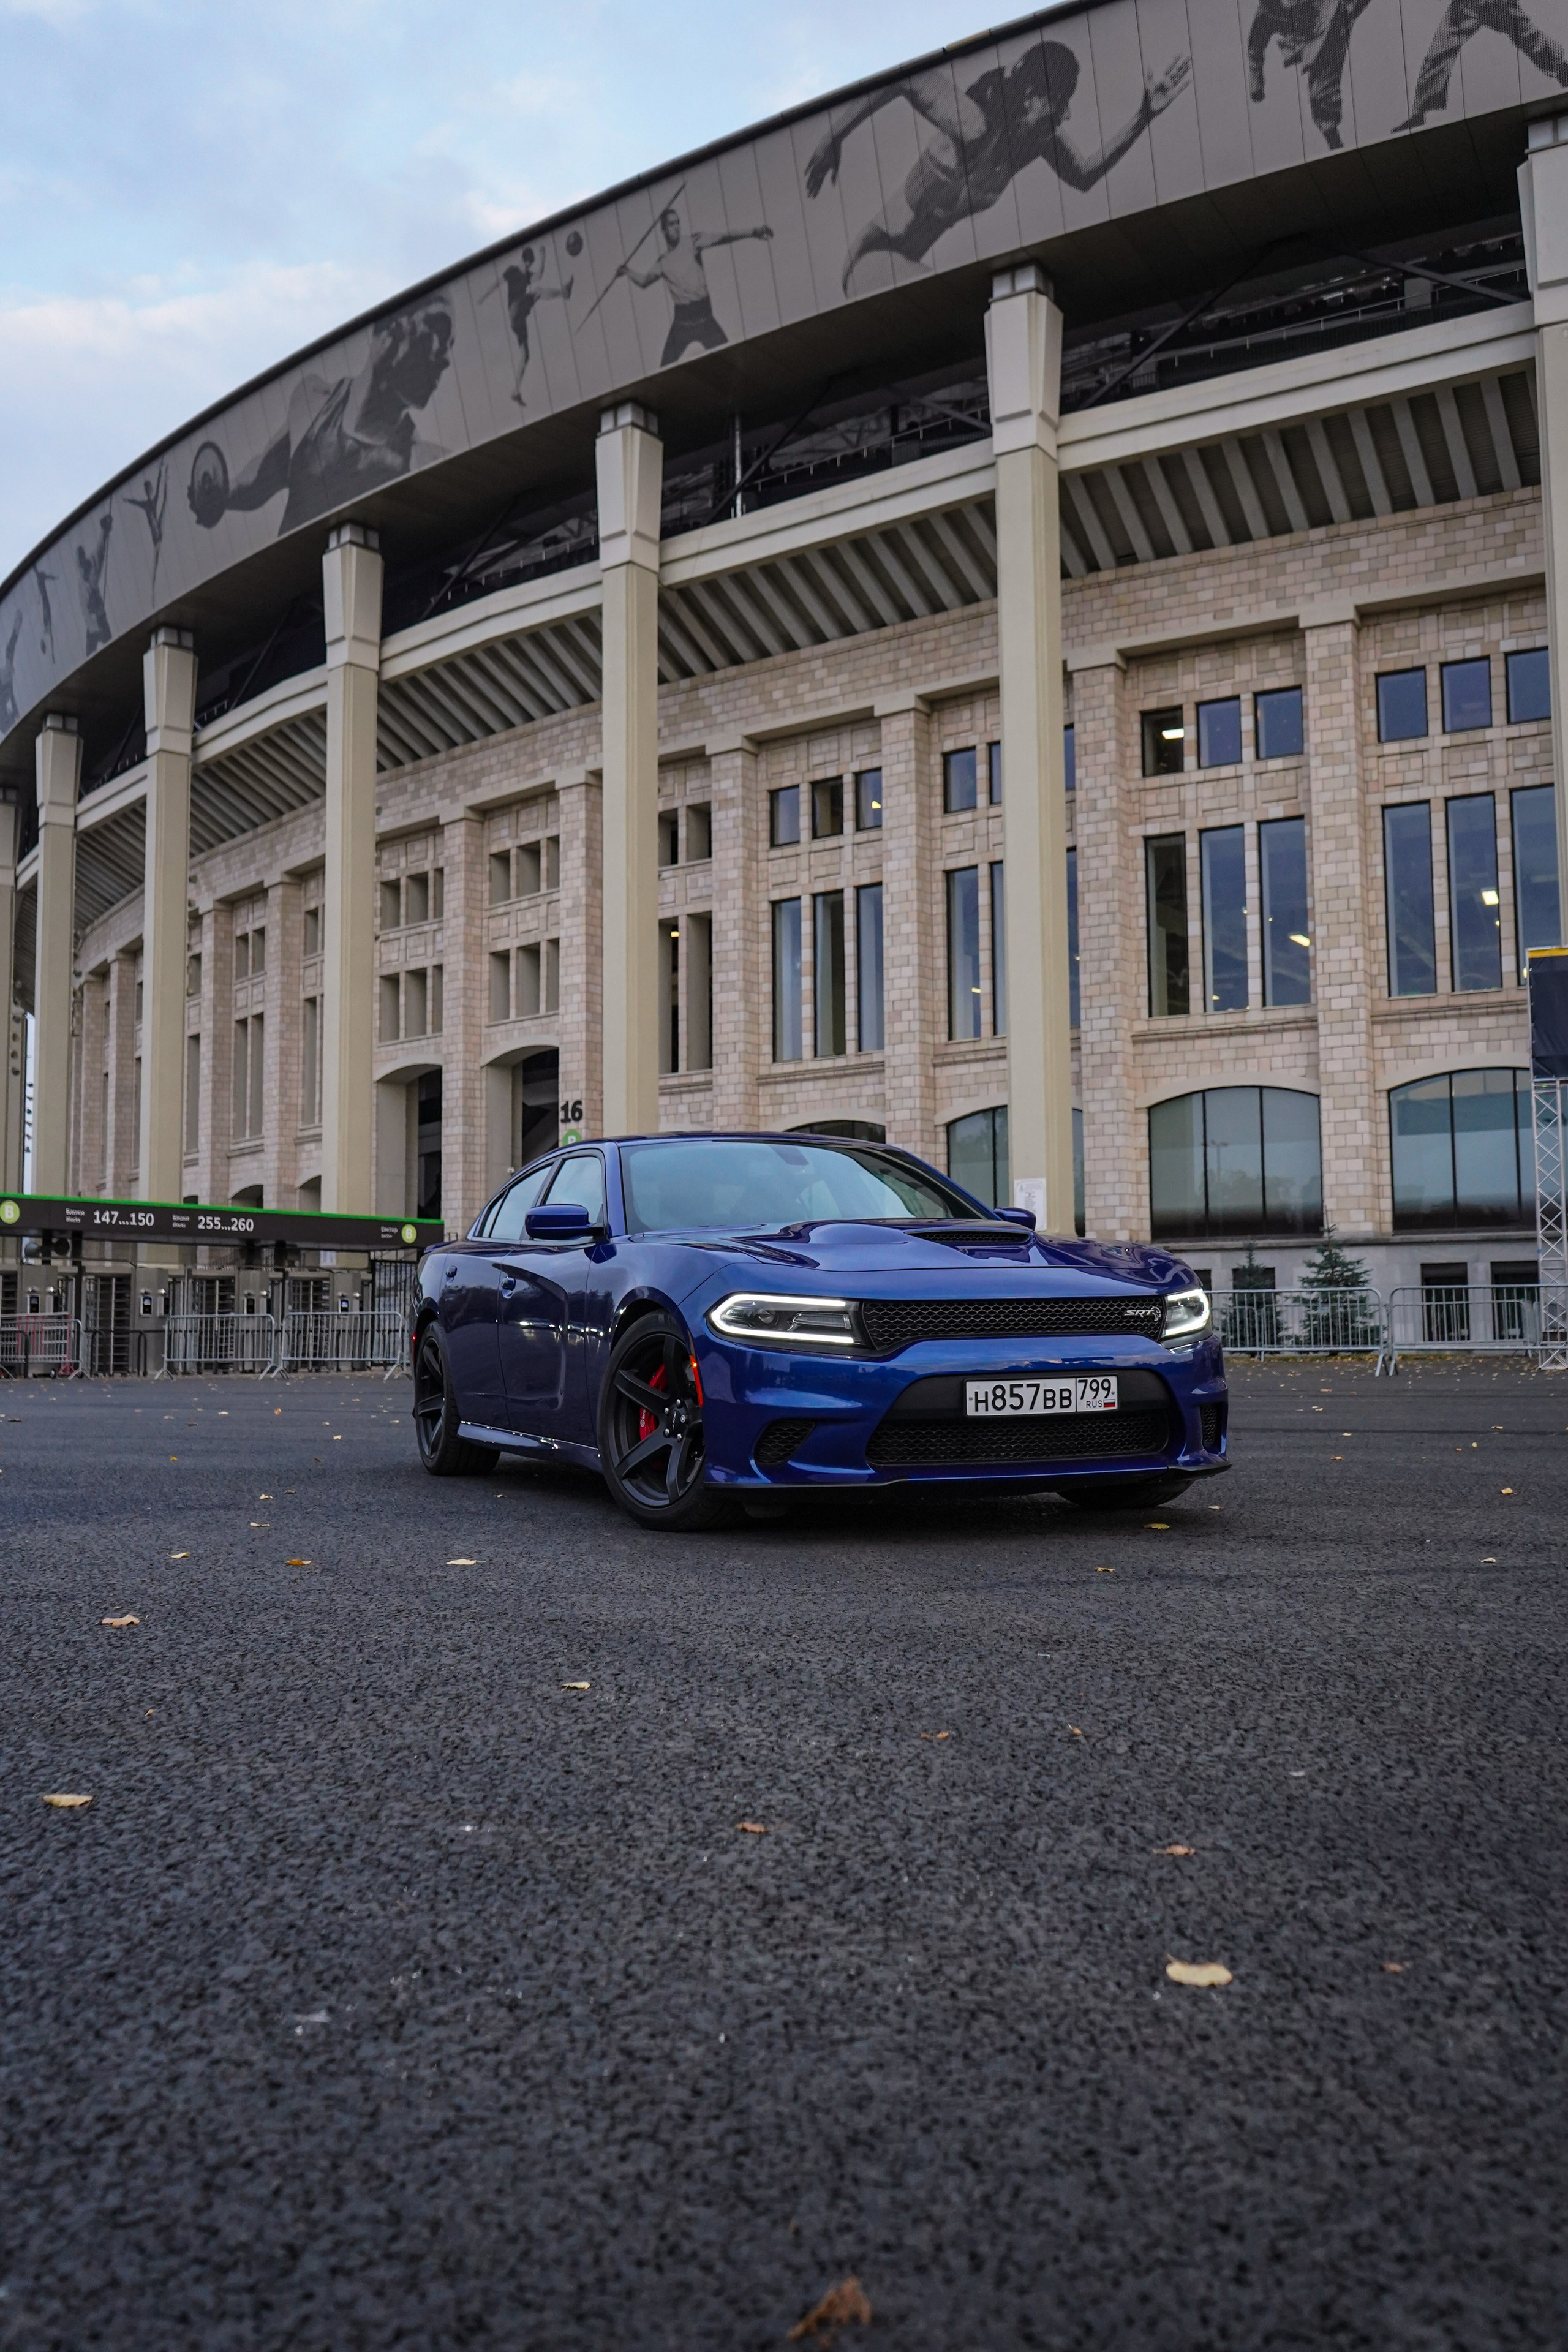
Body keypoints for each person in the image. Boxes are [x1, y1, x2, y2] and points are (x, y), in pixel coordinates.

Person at [805, 42, 1190, 294]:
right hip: (871, 259)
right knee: (979, 311)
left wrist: (1143, 118)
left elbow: (1084, 175)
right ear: (1031, 96)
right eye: (1061, 102)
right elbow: (908, 79)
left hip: (904, 264)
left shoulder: (1035, 141)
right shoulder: (974, 124)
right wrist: (834, 136)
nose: (1067, 115)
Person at [188, 296, 454, 535]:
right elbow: (260, 479)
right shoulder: (313, 402)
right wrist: (217, 497)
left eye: (451, 344)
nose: (446, 358)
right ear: (389, 329)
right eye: (440, 329)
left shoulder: (417, 464)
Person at [616, 208, 773, 366]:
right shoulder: (663, 261)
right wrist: (627, 272)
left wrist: (753, 232)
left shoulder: (693, 242)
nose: (677, 227)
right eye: (671, 224)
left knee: (731, 361)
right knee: (665, 367)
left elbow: (723, 237)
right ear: (664, 230)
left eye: (678, 223)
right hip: (682, 324)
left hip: (705, 319)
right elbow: (644, 282)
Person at [1395, 0, 1568, 128]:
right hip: (1466, 5)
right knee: (1439, 52)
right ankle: (1421, 111)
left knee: (1527, 36)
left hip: (1495, 4)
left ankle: (1562, 69)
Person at [1246, 0, 1376, 147]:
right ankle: (1335, 144)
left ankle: (1334, 140)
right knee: (1319, 94)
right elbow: (1255, 47)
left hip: (1332, 10)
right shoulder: (1267, 11)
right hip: (1317, 36)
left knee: (1320, 92)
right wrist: (1256, 83)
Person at [498, 247, 573, 408]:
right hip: (515, 310)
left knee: (525, 356)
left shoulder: (527, 275)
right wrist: (482, 298)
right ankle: (564, 293)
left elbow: (539, 276)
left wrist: (543, 258)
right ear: (523, 261)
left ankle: (516, 391)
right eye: (527, 263)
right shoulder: (513, 271)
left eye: (530, 264)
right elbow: (498, 282)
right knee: (537, 292)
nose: (528, 266)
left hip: (518, 321)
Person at [126, 462, 168, 592]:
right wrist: (127, 500)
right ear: (147, 491)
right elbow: (135, 502)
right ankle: (154, 584)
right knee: (156, 558)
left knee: (164, 502)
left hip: (157, 528)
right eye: (148, 490)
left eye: (150, 489)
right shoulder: (146, 504)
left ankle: (167, 473)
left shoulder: (153, 501)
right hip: (156, 533)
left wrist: (161, 471)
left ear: (151, 490)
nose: (149, 491)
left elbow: (159, 486)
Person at [76, 515, 113, 657]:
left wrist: (104, 530)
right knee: (90, 656)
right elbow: (85, 610)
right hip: (91, 626)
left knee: (110, 647)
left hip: (99, 617)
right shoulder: (82, 581)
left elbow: (100, 549)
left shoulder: (92, 565)